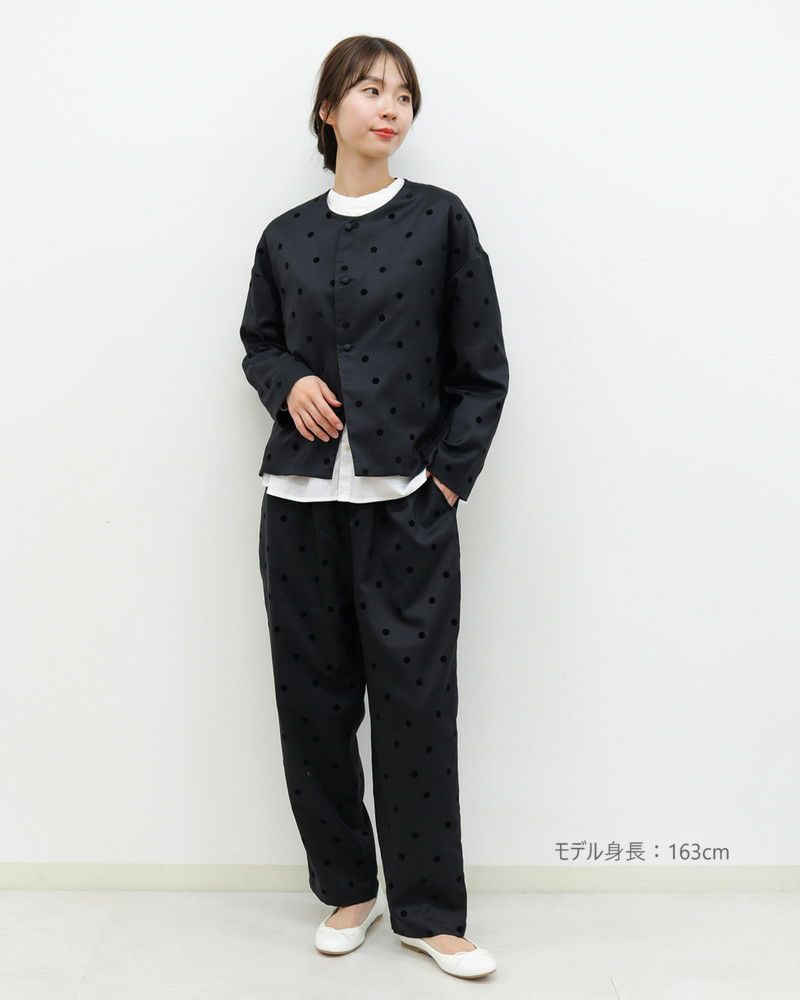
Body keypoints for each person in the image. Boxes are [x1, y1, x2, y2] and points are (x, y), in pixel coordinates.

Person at [239, 35, 509, 979]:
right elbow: (258, 343)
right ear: (329, 110)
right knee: (312, 704)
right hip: (299, 503)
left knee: (416, 706)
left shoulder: (440, 221)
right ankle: (347, 888)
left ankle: (429, 912)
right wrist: (287, 382)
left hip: (407, 507)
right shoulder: (284, 236)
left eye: (403, 94)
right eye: (368, 90)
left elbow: (482, 367)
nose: (389, 107)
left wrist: (448, 482)